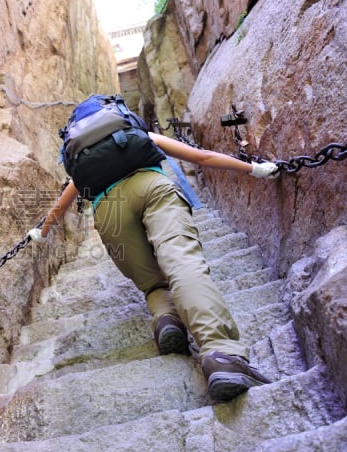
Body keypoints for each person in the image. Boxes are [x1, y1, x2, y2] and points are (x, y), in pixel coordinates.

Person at [28, 130, 279, 402]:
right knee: (182, 262)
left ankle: (167, 320)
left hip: (109, 211)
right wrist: (254, 169)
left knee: (152, 283)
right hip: (153, 188)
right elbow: (202, 157)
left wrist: (41, 232)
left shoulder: (86, 159)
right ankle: (222, 353)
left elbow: (63, 202)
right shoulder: (138, 135)